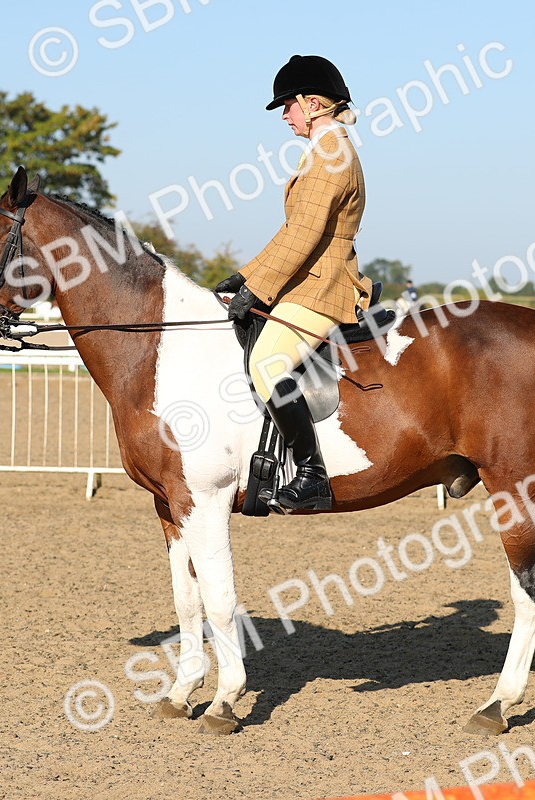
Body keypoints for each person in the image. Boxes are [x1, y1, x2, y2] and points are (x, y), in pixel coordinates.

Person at [214, 55, 371, 513]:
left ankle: (311, 475)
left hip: (322, 287)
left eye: (289, 105)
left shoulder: (332, 154)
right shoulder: (322, 151)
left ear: (315, 103)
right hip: (306, 280)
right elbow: (292, 234)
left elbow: (304, 235)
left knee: (266, 364)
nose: (284, 115)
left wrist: (256, 291)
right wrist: (247, 276)